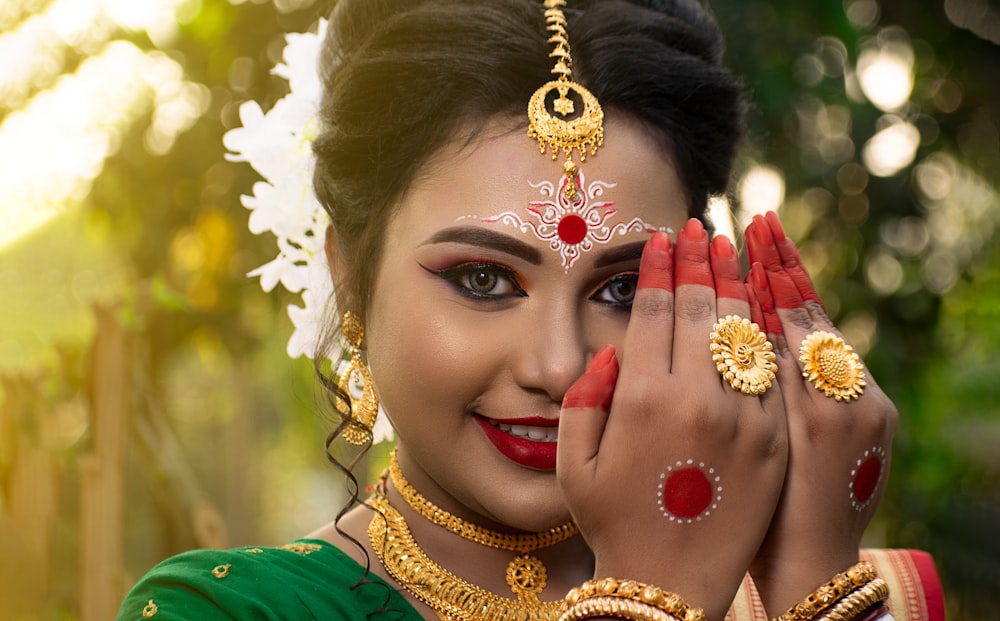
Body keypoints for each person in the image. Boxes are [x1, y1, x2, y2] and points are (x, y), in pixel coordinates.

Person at [117, 1, 945, 620]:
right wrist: (650, 596)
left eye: (623, 289)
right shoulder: (228, 609)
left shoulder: (871, 588)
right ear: (348, 277)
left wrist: (817, 585)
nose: (557, 364)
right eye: (483, 280)